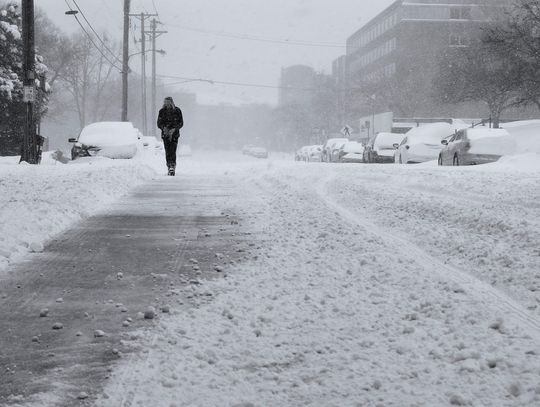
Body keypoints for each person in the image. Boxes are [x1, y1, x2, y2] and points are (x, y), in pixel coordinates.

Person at [157, 96, 184, 176]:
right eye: (165, 102)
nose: (167, 104)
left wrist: (174, 129)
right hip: (165, 134)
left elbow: (181, 123)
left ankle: (172, 166)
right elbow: (159, 123)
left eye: (168, 102)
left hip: (174, 134)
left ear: (171, 102)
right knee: (167, 151)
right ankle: (169, 166)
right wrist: (164, 128)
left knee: (173, 150)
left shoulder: (177, 110)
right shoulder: (162, 111)